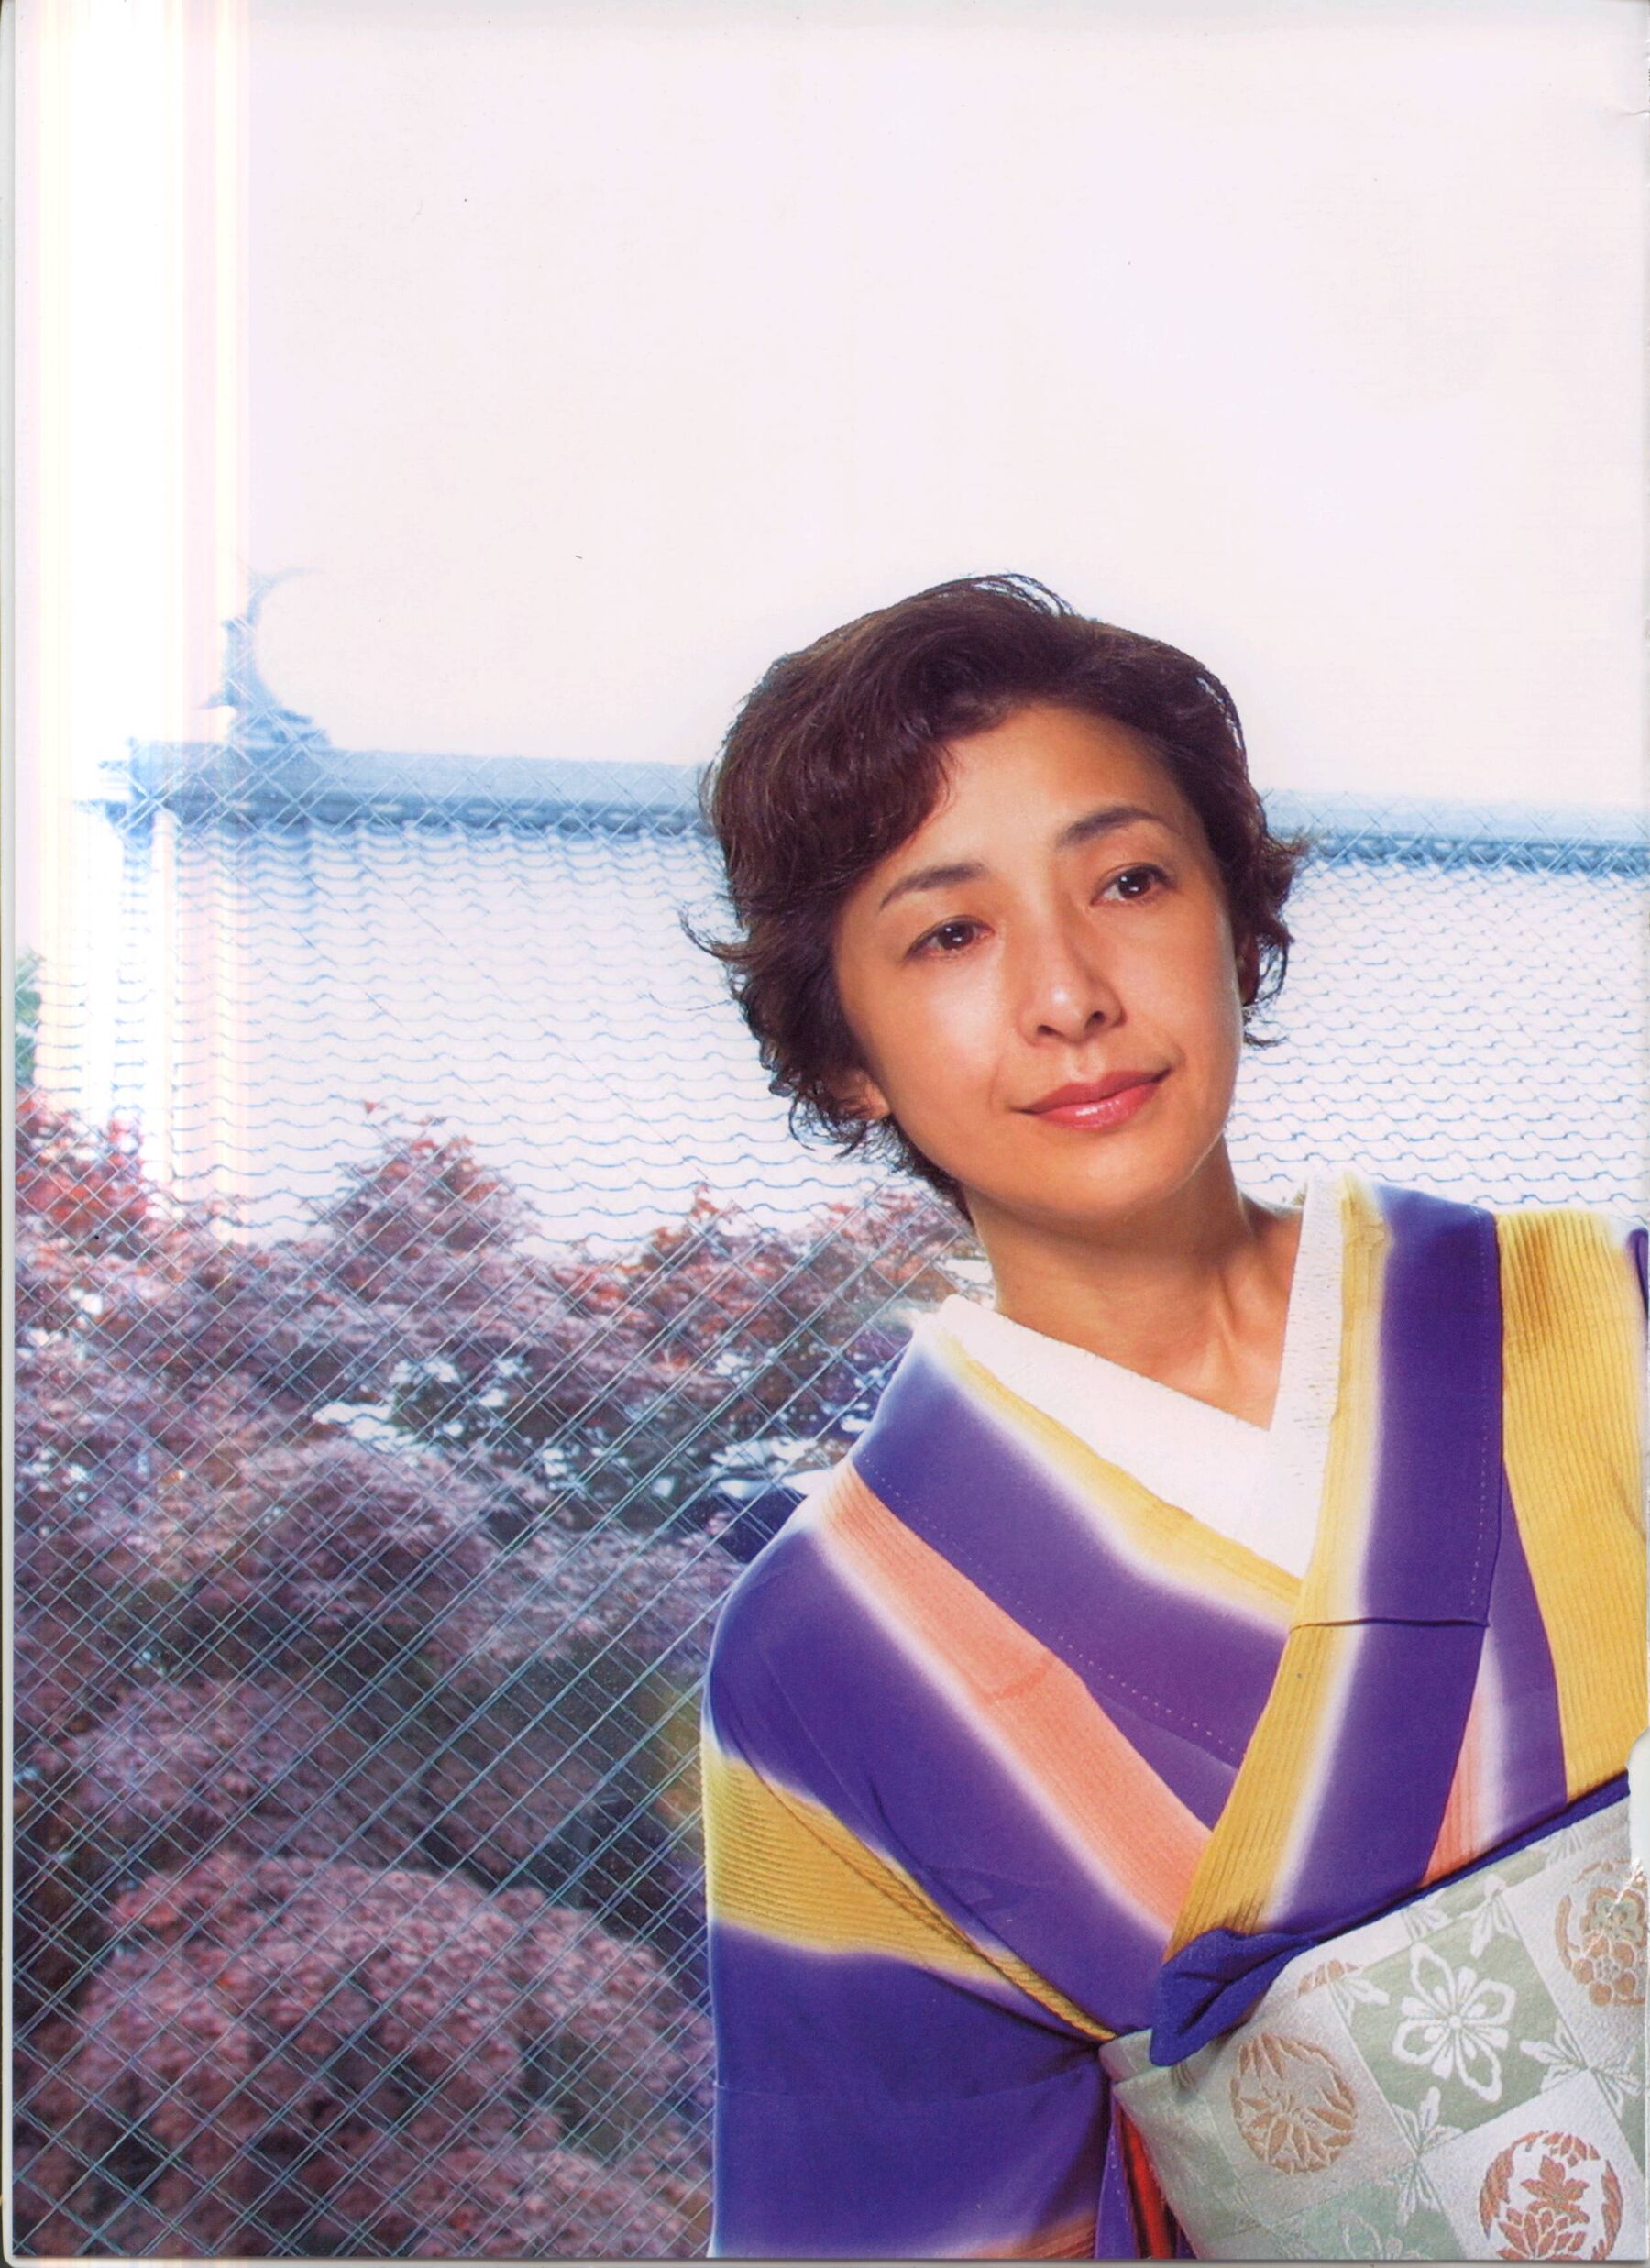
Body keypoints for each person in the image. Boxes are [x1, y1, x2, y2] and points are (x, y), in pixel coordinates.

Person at [690, 574, 1647, 2261]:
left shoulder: (1610, 1324)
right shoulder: (832, 1658)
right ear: (843, 1050)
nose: (1069, 992)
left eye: (1128, 879)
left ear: (1236, 919)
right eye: (949, 932)